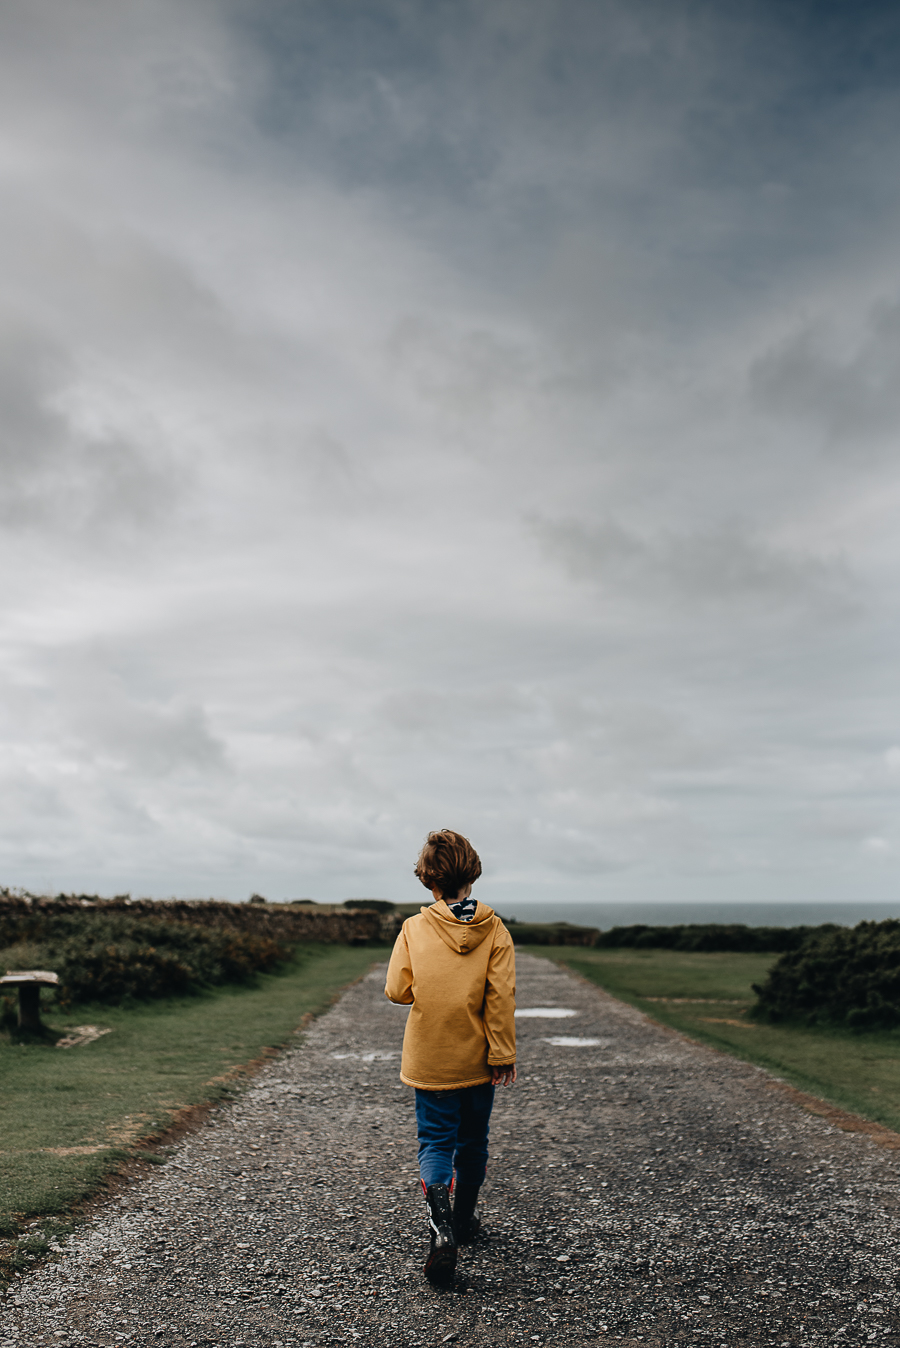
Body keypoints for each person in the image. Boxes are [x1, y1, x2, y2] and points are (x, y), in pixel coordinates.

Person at [385, 829, 516, 1285]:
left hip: (430, 1058)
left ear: (428, 879)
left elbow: (397, 990)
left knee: (436, 1142)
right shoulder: (494, 928)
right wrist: (502, 1052)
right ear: (472, 875)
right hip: (479, 1059)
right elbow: (500, 997)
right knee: (473, 1142)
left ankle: (442, 1231)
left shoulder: (414, 928)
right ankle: (464, 1220)